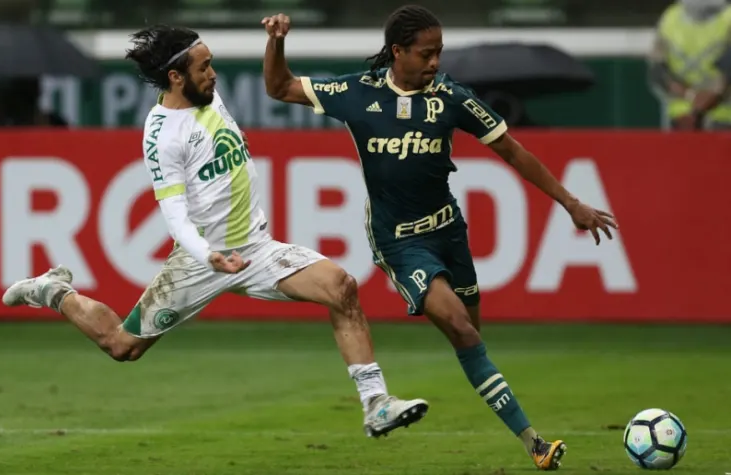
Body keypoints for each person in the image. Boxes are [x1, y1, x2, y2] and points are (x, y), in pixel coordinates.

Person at [1, 24, 428, 439]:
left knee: (342, 287)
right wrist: (209, 255)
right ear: (175, 77)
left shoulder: (205, 95)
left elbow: (277, 81)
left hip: (256, 249)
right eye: (203, 68)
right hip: (201, 260)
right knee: (122, 346)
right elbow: (175, 216)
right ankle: (53, 291)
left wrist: (274, 42)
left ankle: (376, 404)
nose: (213, 74)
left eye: (211, 64)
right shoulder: (163, 136)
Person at [262, 5, 618, 470]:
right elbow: (278, 86)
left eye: (439, 53)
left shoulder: (451, 97)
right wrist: (278, 41)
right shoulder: (356, 92)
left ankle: (503, 407)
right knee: (462, 328)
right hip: (400, 241)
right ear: (397, 52)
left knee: (471, 339)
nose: (434, 63)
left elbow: (512, 149)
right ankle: (535, 444)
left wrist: (571, 203)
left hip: (450, 231)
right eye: (426, 54)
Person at [650, 0, 731, 130]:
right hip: (719, 119)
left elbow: (659, 72)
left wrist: (690, 100)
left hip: (683, 120)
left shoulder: (670, 17)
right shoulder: (728, 17)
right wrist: (698, 106)